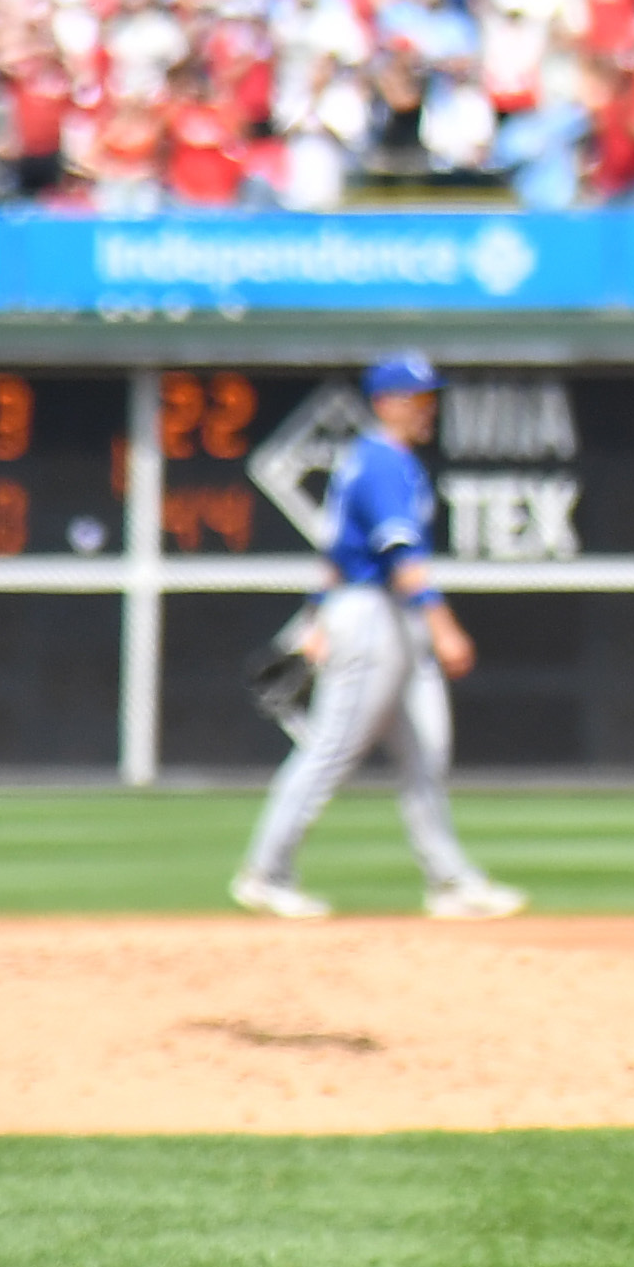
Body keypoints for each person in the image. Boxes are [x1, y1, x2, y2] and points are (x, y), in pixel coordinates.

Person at [229, 353, 525, 923]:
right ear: (386, 403)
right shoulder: (382, 462)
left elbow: (336, 555)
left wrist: (315, 619)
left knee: (426, 754)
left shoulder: (381, 462)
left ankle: (450, 881)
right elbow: (398, 555)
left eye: (429, 397)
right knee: (331, 750)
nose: (427, 408)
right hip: (373, 618)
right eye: (418, 399)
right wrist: (443, 625)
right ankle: (266, 872)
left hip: (379, 615)